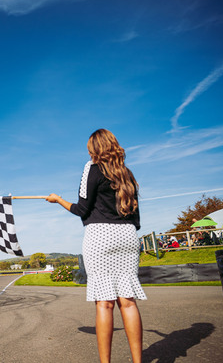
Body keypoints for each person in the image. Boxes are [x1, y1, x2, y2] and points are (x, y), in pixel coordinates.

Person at [46, 129, 145, 363]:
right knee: (128, 301)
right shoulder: (127, 174)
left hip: (100, 235)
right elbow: (136, 217)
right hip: (129, 236)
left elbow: (82, 209)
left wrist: (57, 199)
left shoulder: (91, 169)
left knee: (105, 302)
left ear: (94, 149)